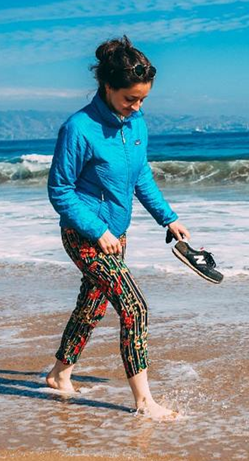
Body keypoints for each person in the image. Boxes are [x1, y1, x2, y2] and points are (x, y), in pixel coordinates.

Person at [45, 36, 189, 420]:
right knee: (135, 307)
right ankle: (144, 401)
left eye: (142, 99)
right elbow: (59, 189)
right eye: (130, 98)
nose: (137, 106)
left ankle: (60, 374)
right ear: (108, 87)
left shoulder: (135, 123)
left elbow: (140, 173)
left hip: (116, 236)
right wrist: (97, 230)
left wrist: (168, 217)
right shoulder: (78, 128)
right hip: (86, 236)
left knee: (91, 307)